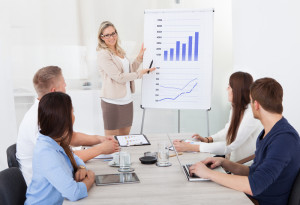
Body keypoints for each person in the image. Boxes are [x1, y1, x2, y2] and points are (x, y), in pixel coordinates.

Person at [189, 77, 300, 205]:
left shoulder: (284, 140)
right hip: (253, 197)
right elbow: (255, 172)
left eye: (251, 101)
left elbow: (255, 185)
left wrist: (209, 174)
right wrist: (225, 163)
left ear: (256, 104)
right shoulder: (269, 132)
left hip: (259, 201)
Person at [17, 66, 119, 186]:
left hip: (56, 176)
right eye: (63, 83)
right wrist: (101, 149)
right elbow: (62, 158)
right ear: (54, 91)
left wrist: (99, 139)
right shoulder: (38, 120)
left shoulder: (48, 111)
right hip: (44, 186)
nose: (66, 85)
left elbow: (70, 137)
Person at [173, 72, 262, 163]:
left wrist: (193, 147)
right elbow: (228, 131)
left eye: (229, 87)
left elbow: (229, 145)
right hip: (230, 160)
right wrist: (208, 139)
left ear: (237, 91)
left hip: (242, 166)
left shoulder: (251, 115)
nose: (227, 89)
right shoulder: (237, 107)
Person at [25, 92, 95, 204]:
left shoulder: (55, 140)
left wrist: (81, 167)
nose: (74, 115)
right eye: (72, 111)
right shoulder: (46, 153)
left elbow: (73, 158)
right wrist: (90, 178)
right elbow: (74, 193)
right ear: (63, 119)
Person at [97, 21, 155, 136]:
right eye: (107, 35)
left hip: (127, 101)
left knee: (124, 139)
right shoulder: (103, 54)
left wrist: (139, 58)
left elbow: (128, 71)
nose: (111, 37)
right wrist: (140, 74)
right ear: (102, 37)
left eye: (113, 33)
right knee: (111, 143)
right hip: (112, 103)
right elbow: (119, 77)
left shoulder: (119, 52)